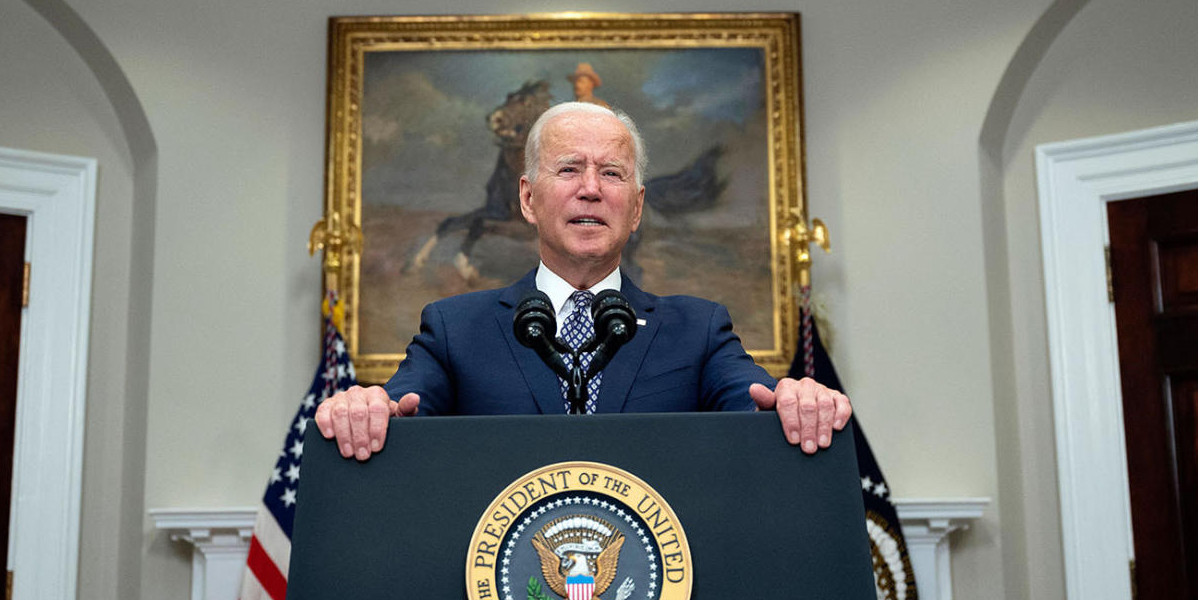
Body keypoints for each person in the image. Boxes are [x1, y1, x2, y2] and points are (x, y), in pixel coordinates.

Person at [316, 102, 851, 460]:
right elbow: (400, 406)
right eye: (569, 169)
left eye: (612, 173)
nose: (591, 190)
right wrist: (366, 407)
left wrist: (797, 399)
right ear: (528, 198)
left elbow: (754, 400)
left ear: (636, 208)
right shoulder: (455, 329)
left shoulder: (699, 330)